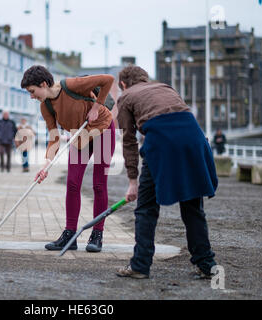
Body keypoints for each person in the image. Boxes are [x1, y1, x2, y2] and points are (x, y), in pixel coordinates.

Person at [115, 65, 218, 279]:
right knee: (193, 208)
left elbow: (128, 141)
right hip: (193, 139)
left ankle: (140, 266)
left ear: (123, 84)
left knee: (146, 209)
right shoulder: (165, 87)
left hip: (162, 141)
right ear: (145, 79)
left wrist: (132, 180)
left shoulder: (125, 96)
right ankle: (207, 265)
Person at [21, 65, 115, 253]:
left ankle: (97, 234)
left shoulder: (72, 85)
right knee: (72, 183)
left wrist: (96, 107)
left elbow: (108, 80)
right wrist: (46, 164)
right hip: (80, 138)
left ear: (44, 84)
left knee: (98, 184)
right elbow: (54, 137)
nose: (31, 96)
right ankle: (70, 235)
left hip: (102, 130)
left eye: (32, 91)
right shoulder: (46, 105)